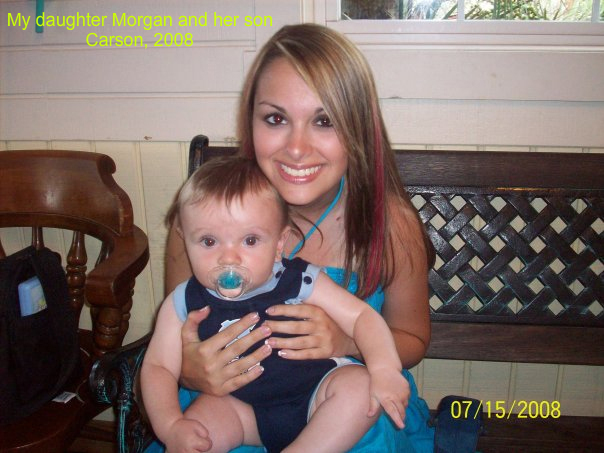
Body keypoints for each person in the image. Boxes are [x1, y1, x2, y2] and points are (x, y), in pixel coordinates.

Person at [152, 23, 435, 452]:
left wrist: (347, 340)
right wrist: (189, 369)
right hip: (228, 409)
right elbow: (174, 338)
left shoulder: (390, 225)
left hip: (347, 412)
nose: (297, 148)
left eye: (324, 121)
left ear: (358, 130)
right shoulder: (201, 227)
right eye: (276, 118)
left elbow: (412, 340)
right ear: (250, 121)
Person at [141, 156, 410, 453]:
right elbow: (158, 367)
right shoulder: (182, 301)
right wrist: (171, 425)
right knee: (196, 432)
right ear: (185, 239)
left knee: (359, 388)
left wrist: (384, 367)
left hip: (315, 396)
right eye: (208, 241)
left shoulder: (299, 279)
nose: (228, 258)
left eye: (250, 240)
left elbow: (361, 318)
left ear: (280, 243)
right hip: (239, 409)